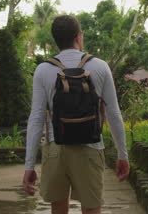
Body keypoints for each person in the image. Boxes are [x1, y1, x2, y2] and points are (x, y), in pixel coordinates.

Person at [23, 15, 130, 214]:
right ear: (78, 36)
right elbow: (114, 113)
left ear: (56, 40)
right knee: (91, 208)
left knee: (58, 208)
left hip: (56, 148)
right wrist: (122, 155)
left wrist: (29, 165)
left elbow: (36, 119)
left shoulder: (43, 70)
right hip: (90, 147)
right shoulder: (100, 67)